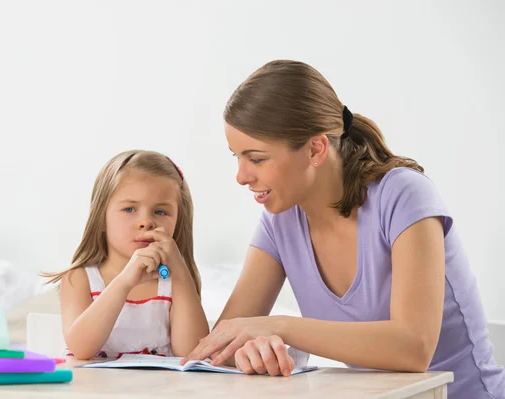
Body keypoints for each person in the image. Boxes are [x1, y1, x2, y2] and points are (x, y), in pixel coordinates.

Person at [182, 60, 504, 399]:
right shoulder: (280, 222)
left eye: (257, 159)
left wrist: (279, 326)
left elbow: (413, 348)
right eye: (237, 157)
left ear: (316, 149)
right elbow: (220, 347)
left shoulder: (403, 196)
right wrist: (251, 351)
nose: (241, 176)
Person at [45, 150, 209, 360]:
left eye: (160, 212)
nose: (146, 222)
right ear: (101, 218)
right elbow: (81, 348)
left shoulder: (176, 282)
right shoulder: (80, 278)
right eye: (130, 209)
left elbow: (193, 352)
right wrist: (124, 282)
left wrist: (181, 274)